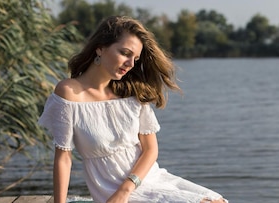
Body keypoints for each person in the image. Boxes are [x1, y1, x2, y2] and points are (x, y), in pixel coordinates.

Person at [38, 16, 227, 203]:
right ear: (100, 48)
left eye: (135, 58)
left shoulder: (131, 93)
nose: (131, 64)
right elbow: (63, 158)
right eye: (125, 53)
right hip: (109, 188)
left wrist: (126, 189)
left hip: (145, 180)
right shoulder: (69, 93)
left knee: (217, 201)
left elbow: (150, 150)